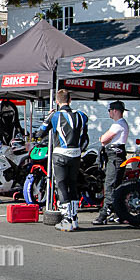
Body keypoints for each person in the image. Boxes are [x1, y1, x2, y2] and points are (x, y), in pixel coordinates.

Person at [36, 89, 89, 232]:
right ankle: (74, 218)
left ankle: (66, 220)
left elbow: (40, 133)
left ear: (57, 102)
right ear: (70, 100)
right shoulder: (82, 116)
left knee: (61, 185)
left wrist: (48, 117)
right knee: (73, 184)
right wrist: (79, 150)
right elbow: (85, 139)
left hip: (60, 155)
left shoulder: (55, 115)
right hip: (76, 155)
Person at [93, 101, 130, 225]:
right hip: (116, 157)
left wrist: (103, 138)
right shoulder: (121, 124)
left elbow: (103, 139)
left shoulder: (117, 125)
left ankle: (104, 214)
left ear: (114, 111)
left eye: (109, 110)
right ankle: (118, 213)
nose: (108, 113)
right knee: (116, 186)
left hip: (114, 158)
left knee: (110, 185)